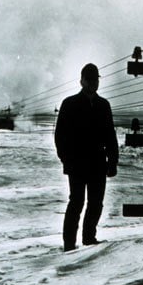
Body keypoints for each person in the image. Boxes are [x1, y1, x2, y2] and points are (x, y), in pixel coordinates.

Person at [54, 63, 119, 252]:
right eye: (90, 80)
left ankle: (89, 238)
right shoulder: (70, 104)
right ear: (81, 81)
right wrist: (66, 160)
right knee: (76, 202)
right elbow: (60, 136)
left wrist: (112, 161)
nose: (93, 83)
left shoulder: (103, 105)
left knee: (96, 203)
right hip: (77, 164)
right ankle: (69, 244)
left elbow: (110, 135)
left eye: (96, 79)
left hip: (98, 163)